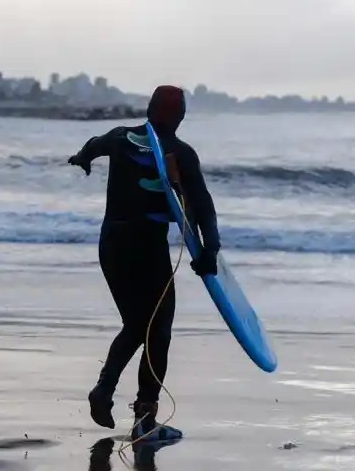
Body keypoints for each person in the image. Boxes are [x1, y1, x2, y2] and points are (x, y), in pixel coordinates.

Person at [67, 84, 220, 442]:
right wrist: (210, 248)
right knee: (157, 329)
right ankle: (144, 418)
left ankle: (105, 390)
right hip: (147, 248)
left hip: (112, 245)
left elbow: (93, 144)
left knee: (136, 325)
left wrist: (83, 159)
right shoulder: (180, 153)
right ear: (180, 117)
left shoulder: (120, 138)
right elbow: (202, 204)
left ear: (149, 110)